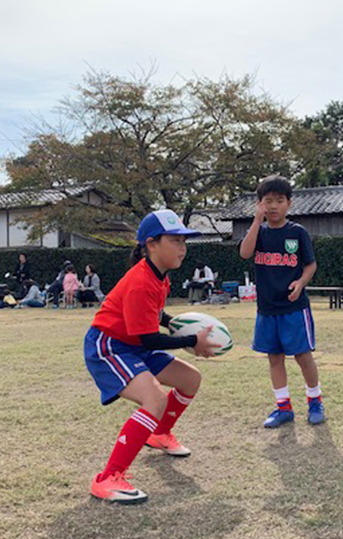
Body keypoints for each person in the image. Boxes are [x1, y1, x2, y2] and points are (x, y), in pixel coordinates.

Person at [85, 209, 219, 504]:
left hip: (134, 346)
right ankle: (108, 478)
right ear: (151, 244)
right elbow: (149, 338)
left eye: (184, 241)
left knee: (190, 380)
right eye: (175, 240)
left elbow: (155, 315)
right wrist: (191, 340)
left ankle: (159, 434)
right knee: (155, 399)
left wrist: (174, 323)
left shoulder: (160, 277)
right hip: (109, 347)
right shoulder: (140, 281)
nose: (182, 247)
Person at [239, 175, 324, 428]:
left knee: (303, 356)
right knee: (274, 358)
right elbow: (245, 253)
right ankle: (283, 407)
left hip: (294, 308)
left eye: (279, 200)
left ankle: (315, 401)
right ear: (259, 204)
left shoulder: (297, 233)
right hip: (266, 309)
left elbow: (310, 264)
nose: (274, 206)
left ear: (289, 203)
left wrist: (301, 283)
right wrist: (256, 221)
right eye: (268, 201)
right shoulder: (259, 232)